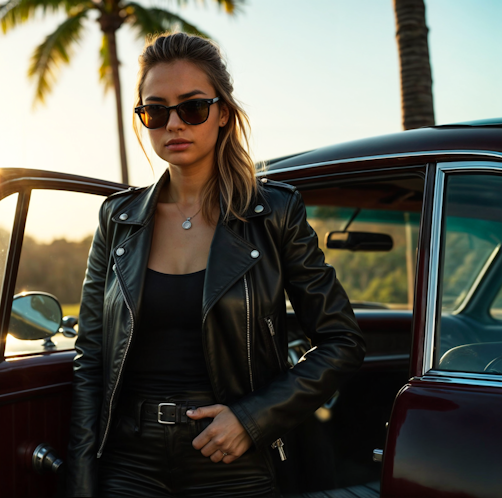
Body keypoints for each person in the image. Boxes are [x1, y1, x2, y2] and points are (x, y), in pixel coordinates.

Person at [65, 32, 365, 497]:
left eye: (192, 108)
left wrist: (252, 419)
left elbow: (340, 341)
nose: (173, 125)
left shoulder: (274, 213)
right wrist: (80, 481)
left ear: (222, 113)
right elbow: (91, 359)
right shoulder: (118, 219)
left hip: (232, 461)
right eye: (156, 111)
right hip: (130, 460)